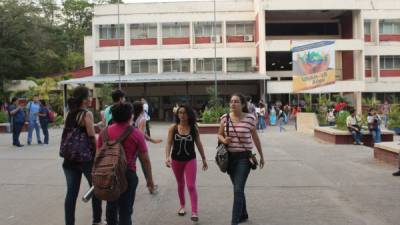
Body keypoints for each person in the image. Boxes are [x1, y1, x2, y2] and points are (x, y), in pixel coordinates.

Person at [97, 102, 155, 225]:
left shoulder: (104, 132)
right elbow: (145, 160)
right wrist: (150, 179)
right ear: (130, 116)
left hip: (108, 174)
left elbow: (98, 156)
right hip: (128, 174)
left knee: (111, 207)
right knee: (125, 211)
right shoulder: (136, 133)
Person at [218, 93, 265, 225]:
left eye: (236, 101)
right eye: (231, 101)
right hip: (230, 159)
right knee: (238, 188)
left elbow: (255, 138)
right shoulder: (225, 118)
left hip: (244, 158)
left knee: (238, 189)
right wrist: (224, 140)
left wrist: (261, 155)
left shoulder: (250, 118)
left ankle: (234, 221)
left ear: (243, 104)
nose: (233, 103)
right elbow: (219, 135)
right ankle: (243, 213)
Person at [61, 86, 104, 225]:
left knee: (71, 194)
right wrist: (98, 155)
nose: (91, 99)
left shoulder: (69, 113)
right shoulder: (86, 114)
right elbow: (91, 137)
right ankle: (97, 220)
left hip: (69, 159)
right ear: (84, 99)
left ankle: (69, 223)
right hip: (86, 159)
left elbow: (74, 131)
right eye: (89, 96)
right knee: (96, 189)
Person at [165, 104, 208, 222]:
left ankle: (194, 212)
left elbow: (198, 143)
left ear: (189, 115)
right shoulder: (173, 128)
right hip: (176, 160)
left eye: (184, 113)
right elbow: (168, 143)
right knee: (180, 184)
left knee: (190, 185)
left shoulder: (193, 128)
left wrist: (204, 158)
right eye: (180, 113)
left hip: (190, 159)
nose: (182, 115)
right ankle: (182, 206)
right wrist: (167, 157)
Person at [132, 101, 161, 194]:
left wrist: (152, 140)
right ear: (141, 109)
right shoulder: (142, 119)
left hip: (130, 145)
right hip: (139, 146)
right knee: (146, 166)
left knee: (129, 165)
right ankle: (151, 186)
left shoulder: (131, 118)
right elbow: (140, 134)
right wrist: (152, 140)